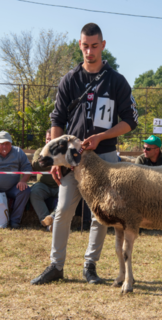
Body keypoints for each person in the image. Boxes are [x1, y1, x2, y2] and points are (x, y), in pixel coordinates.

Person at [31, 23, 138, 285]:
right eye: (85, 46)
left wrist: (102, 136)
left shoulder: (117, 81)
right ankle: (56, 265)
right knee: (63, 209)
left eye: (94, 46)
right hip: (72, 159)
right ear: (80, 45)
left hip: (106, 157)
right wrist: (56, 158)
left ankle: (90, 266)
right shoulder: (69, 79)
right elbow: (57, 119)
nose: (89, 51)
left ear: (103, 45)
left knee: (101, 215)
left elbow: (130, 120)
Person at [0, 131, 31, 229]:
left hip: (13, 188)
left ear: (11, 143)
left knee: (25, 191)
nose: (5, 146)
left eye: (7, 144)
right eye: (2, 144)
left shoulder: (18, 152)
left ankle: (15, 221)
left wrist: (23, 181)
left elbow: (27, 169)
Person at [30, 129, 59, 230]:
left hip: (60, 184)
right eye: (47, 139)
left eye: (51, 139)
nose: (49, 141)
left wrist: (45, 162)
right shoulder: (40, 150)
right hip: (43, 185)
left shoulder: (62, 152)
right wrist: (56, 162)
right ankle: (47, 223)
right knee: (34, 192)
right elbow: (36, 165)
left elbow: (67, 165)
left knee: (67, 195)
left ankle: (53, 217)